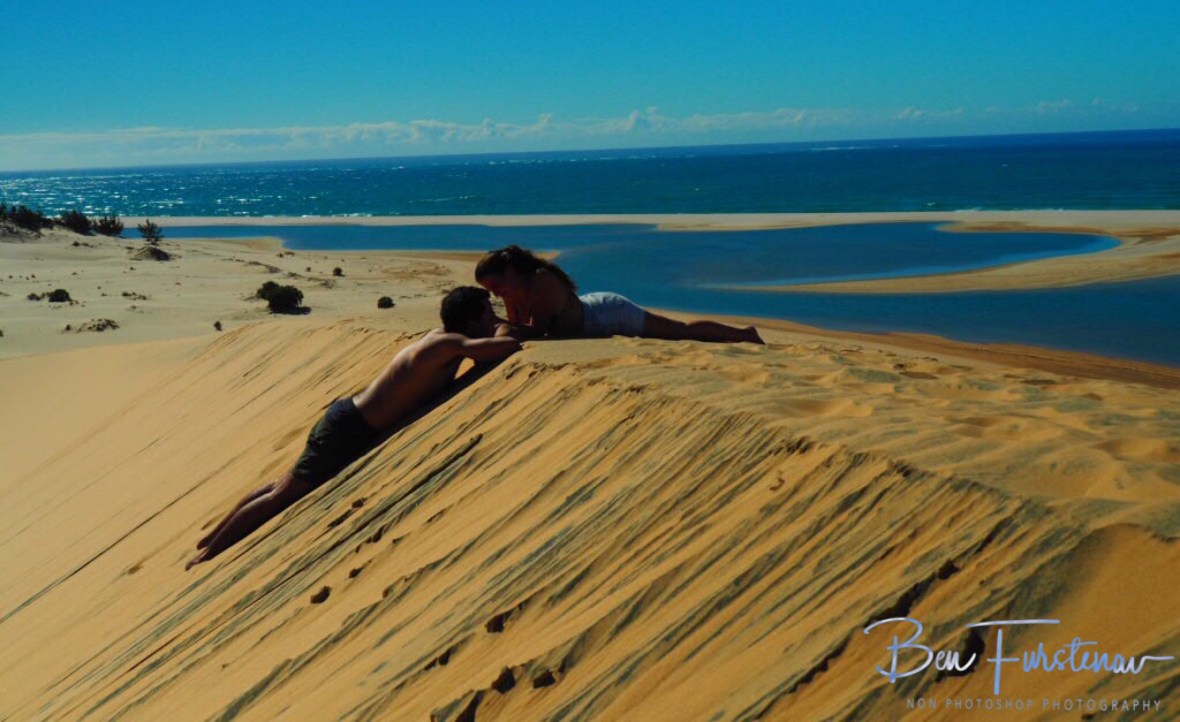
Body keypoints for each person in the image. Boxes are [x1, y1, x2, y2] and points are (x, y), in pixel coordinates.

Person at [186, 287, 520, 570]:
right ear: (471, 320)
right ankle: (209, 554)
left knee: (281, 484)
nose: (493, 319)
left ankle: (212, 537)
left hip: (347, 419)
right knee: (282, 495)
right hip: (349, 427)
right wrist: (506, 330)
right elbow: (502, 348)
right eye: (488, 313)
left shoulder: (438, 337)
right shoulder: (447, 344)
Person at [474, 245, 763, 343]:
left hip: (608, 314)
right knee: (678, 331)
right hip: (592, 312)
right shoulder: (512, 292)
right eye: (491, 291)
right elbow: (517, 330)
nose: (496, 294)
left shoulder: (541, 281)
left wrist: (496, 324)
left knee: (679, 332)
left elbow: (534, 332)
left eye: (496, 285)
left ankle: (744, 334)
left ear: (510, 271)